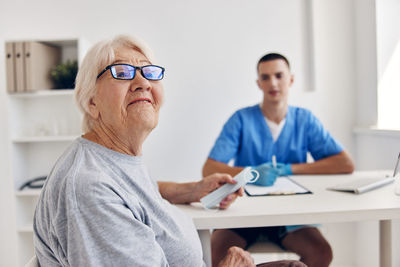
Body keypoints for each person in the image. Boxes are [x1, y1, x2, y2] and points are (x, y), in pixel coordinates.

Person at [33, 36, 306, 267]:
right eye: (122, 72)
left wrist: (192, 190)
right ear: (92, 102)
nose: (143, 83)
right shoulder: (89, 188)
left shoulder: (113, 159)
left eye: (149, 72)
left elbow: (133, 192)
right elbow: (108, 195)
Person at [202, 53, 355, 267]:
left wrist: (290, 169)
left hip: (290, 217)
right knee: (213, 254)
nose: (272, 83)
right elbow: (209, 167)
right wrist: (251, 172)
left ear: (290, 79)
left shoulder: (305, 120)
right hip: (242, 215)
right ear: (258, 83)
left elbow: (345, 163)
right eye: (265, 77)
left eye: (279, 75)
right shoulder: (241, 119)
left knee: (321, 252)